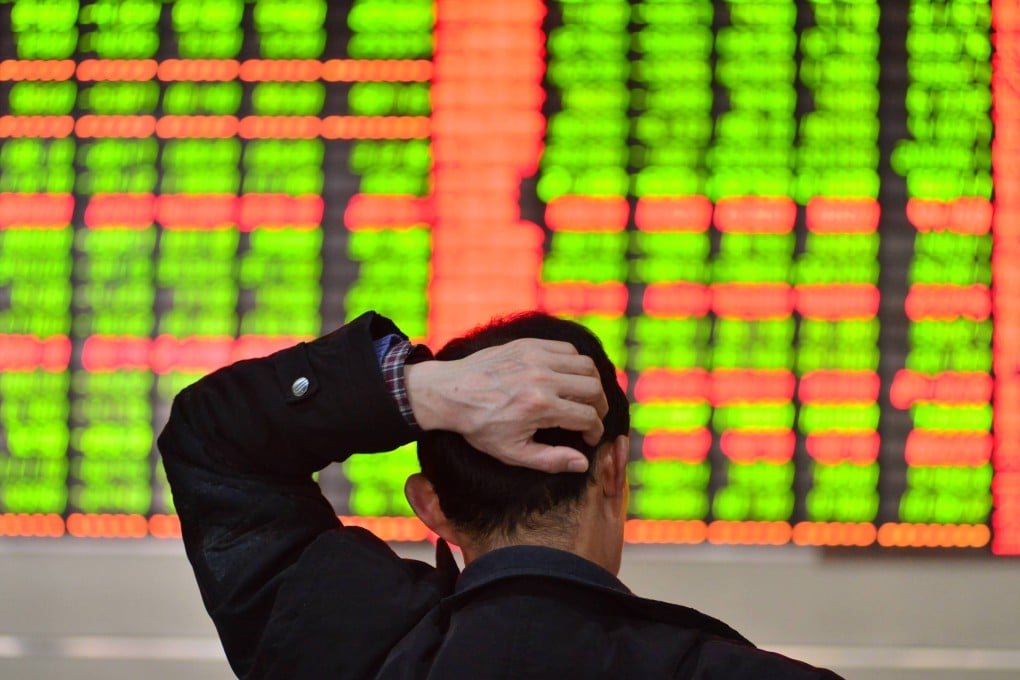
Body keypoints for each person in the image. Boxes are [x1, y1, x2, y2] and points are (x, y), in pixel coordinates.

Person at [159, 311, 843, 679]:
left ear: (430, 505)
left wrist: (415, 391)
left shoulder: (338, 645)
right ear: (615, 472)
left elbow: (214, 438)